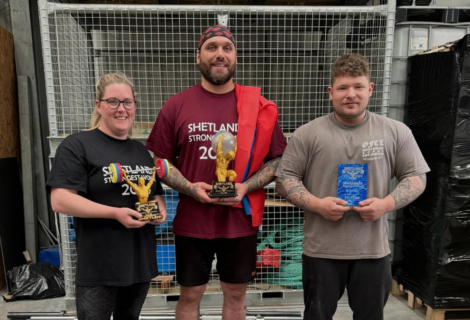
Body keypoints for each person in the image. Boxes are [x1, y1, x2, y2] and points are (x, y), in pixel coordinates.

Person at [146, 25, 287, 320]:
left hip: (239, 220)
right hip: (192, 221)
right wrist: (188, 187)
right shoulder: (176, 105)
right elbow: (160, 162)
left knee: (236, 297)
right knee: (189, 297)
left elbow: (277, 161)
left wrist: (245, 186)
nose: (219, 54)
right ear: (198, 57)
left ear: (235, 57)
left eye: (227, 48)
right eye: (212, 48)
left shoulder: (258, 108)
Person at [275, 53, 430, 320]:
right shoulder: (307, 134)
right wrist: (317, 205)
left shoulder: (395, 132)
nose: (351, 94)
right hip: (321, 251)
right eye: (343, 87)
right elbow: (284, 180)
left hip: (372, 251)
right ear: (330, 92)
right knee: (317, 316)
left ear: (370, 89)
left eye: (358, 86)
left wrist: (386, 204)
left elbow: (417, 177)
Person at [47, 73, 166, 320]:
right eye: (113, 102)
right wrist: (114, 213)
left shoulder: (140, 151)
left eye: (127, 102)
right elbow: (60, 200)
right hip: (99, 266)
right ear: (98, 105)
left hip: (139, 262)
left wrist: (159, 212)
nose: (121, 109)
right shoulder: (77, 145)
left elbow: (154, 194)